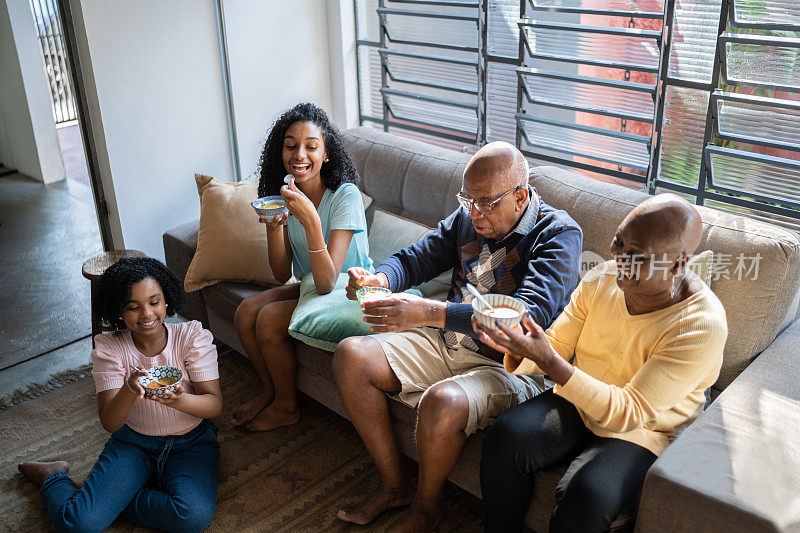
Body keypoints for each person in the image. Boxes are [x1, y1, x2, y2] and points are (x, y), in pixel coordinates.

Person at [332, 142, 583, 531]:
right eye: (468, 199)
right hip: (451, 340)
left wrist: (429, 313)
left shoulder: (559, 234)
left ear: (521, 196)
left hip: (512, 366)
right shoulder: (469, 217)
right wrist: (379, 280)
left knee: (442, 401)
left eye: (486, 203)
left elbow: (520, 319)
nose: (474, 213)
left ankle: (426, 508)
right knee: (351, 356)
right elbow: (416, 258)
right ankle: (394, 486)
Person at [477, 194, 729, 532]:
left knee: (587, 496)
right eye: (618, 241)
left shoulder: (700, 324)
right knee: (504, 438)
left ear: (677, 265)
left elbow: (629, 410)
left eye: (636, 254)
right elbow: (557, 344)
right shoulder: (604, 278)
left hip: (644, 430)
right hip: (577, 401)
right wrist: (518, 345)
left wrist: (550, 361)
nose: (619, 259)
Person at [18, 257, 222, 533]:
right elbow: (110, 423)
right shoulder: (110, 349)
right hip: (133, 443)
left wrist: (179, 400)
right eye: (133, 307)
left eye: (154, 302)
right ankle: (52, 476)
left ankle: (99, 496)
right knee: (78, 525)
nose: (147, 314)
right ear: (119, 311)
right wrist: (129, 387)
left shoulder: (192, 337)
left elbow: (214, 405)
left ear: (166, 299)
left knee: (193, 517)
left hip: (191, 443)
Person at [231, 102, 372, 431]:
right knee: (245, 312)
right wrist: (274, 227)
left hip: (350, 291)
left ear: (326, 154)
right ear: (280, 152)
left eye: (311, 146)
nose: (300, 155)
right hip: (313, 285)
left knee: (267, 319)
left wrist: (309, 219)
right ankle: (270, 391)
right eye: (291, 145)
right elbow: (281, 274)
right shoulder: (284, 196)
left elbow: (327, 281)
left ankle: (286, 406)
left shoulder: (345, 196)